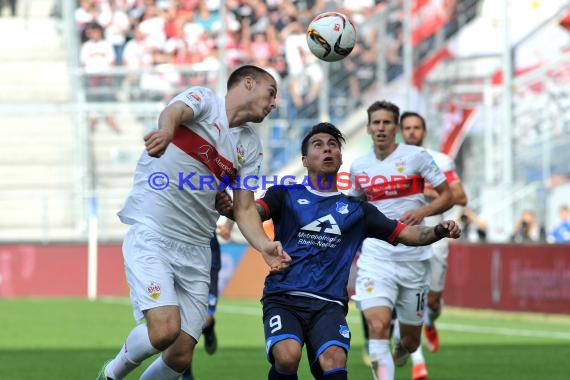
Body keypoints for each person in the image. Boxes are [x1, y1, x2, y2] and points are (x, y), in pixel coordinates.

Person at [217, 122, 460, 380]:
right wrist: (231, 210)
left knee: (334, 359)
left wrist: (437, 231)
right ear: (304, 160)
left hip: (329, 304)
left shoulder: (356, 210)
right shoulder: (284, 194)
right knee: (287, 356)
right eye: (318, 145)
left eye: (333, 145)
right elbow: (252, 212)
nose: (327, 150)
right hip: (284, 297)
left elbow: (406, 233)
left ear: (341, 158)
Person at [97, 65, 291, 380]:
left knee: (180, 354)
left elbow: (243, 209)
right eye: (271, 93)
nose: (273, 103)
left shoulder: (251, 146)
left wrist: (264, 246)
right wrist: (167, 132)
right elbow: (173, 111)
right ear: (248, 82)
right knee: (163, 332)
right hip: (154, 233)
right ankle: (110, 375)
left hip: (197, 249)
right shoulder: (204, 100)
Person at [348, 101, 454, 380]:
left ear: (396, 127)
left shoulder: (418, 156)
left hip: (414, 259)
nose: (381, 128)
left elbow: (448, 196)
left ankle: (403, 350)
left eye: (387, 123)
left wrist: (423, 211)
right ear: (369, 127)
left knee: (409, 342)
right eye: (376, 123)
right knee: (378, 326)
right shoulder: (359, 167)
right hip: (376, 257)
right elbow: (353, 205)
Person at [400, 111, 469, 380]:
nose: (412, 132)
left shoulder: (440, 161)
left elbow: (461, 196)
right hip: (405, 237)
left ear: (424, 131)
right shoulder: (393, 163)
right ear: (401, 131)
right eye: (407, 128)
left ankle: (430, 321)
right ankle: (418, 363)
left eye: (417, 127)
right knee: (407, 298)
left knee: (433, 299)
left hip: (437, 236)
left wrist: (428, 192)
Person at [181, 219, 235, 380]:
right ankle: (187, 373)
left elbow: (235, 203)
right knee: (182, 320)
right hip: (180, 254)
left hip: (209, 256)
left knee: (204, 320)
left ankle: (209, 327)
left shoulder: (210, 192)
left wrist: (228, 226)